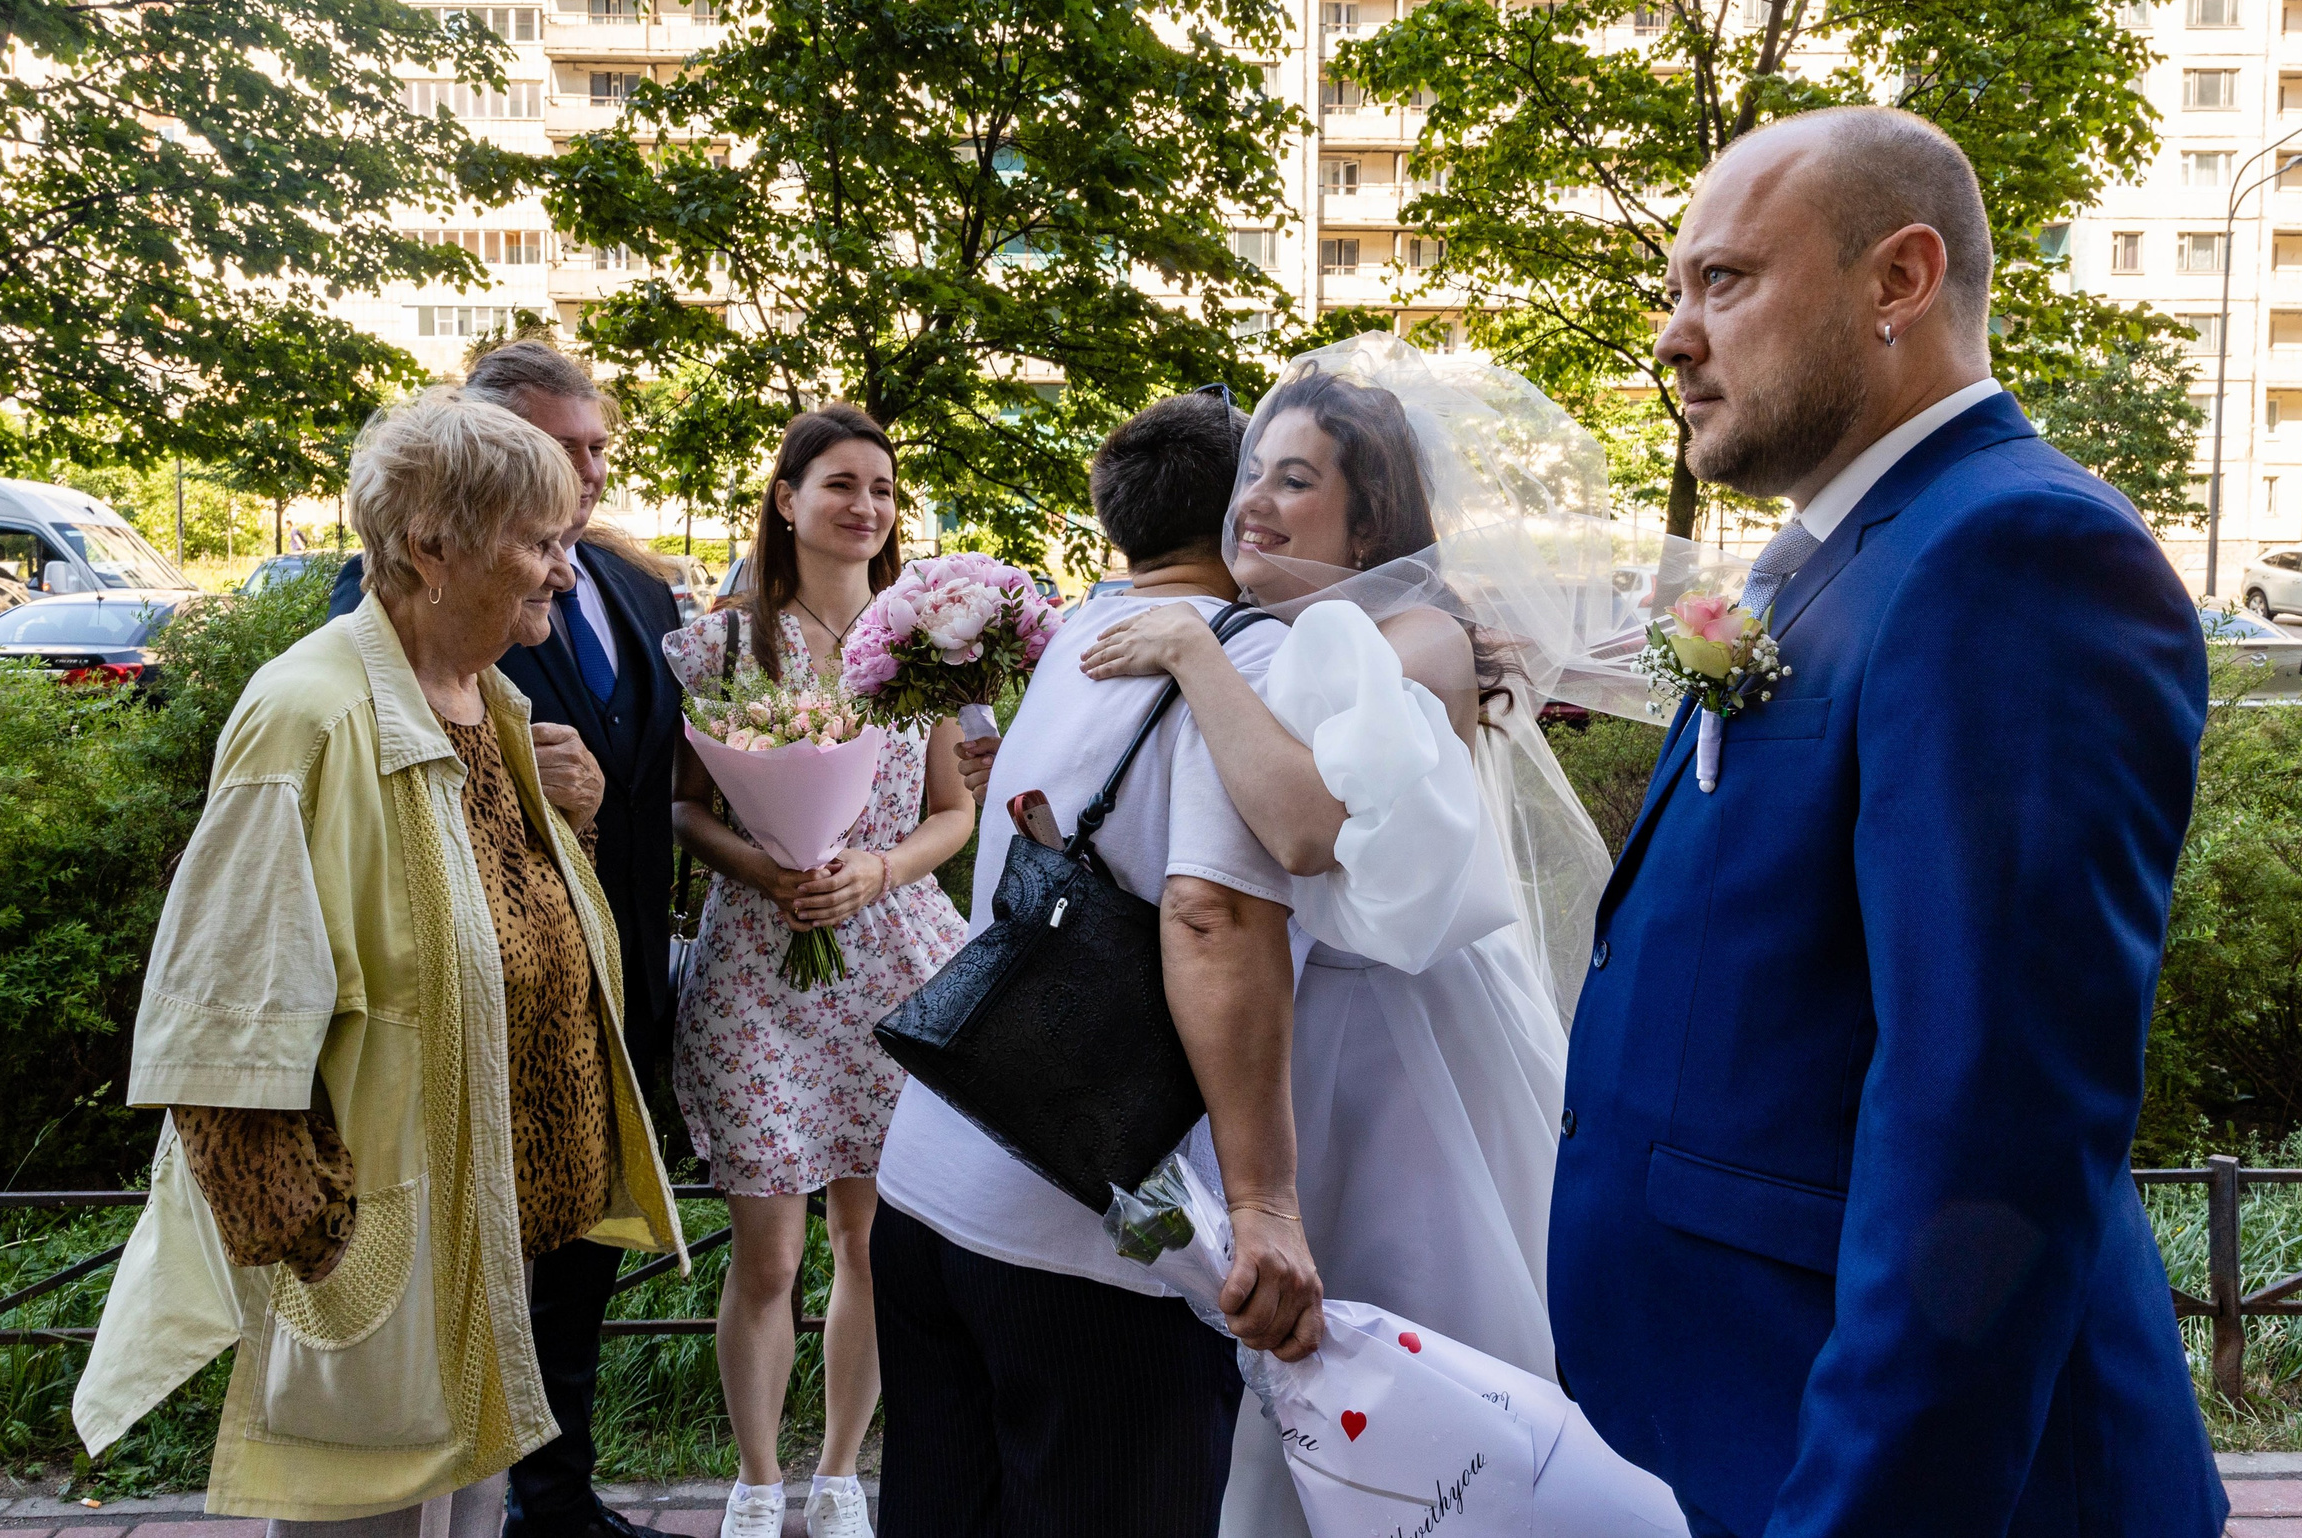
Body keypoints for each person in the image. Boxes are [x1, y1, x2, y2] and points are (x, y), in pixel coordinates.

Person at [1549, 106, 2227, 1535]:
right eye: (1677, 292)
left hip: (1884, 1477)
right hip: (1743, 1418)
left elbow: (1993, 1130)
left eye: (1722, 281)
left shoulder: (2016, 555)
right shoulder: (1841, 559)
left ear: (1898, 282)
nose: (1675, 335)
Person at [73, 396, 687, 1534]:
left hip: (488, 1232)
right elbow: (220, 1016)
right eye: (539, 540)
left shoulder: (483, 696)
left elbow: (495, 922)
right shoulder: (309, 712)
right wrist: (316, 1236)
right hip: (384, 1249)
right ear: (431, 545)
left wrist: (577, 829)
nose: (563, 570)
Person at [1065, 344, 1619, 1537]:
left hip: (1400, 1053)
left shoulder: (1418, 634)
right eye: (1252, 471)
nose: (1254, 499)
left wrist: (1191, 651)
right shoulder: (1260, 626)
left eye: (1296, 480)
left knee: (1422, 1373)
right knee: (1288, 1394)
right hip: (1289, 1031)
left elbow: (1306, 826)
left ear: (1368, 528)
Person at [872, 390, 1325, 1538]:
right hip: (1088, 1221)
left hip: (934, 1170)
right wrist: (1264, 1196)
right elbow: (1211, 916)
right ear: (1242, 510)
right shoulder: (1242, 658)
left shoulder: (1084, 631)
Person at [330, 339, 683, 1538]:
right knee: (448, 1317)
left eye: (596, 449)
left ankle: (555, 1494)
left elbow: (662, 774)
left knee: (574, 1257)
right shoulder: (377, 615)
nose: (587, 476)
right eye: (560, 451)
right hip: (458, 1025)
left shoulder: (636, 588)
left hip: (608, 972)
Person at [665, 405, 977, 1538]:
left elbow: (955, 812)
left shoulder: (922, 651)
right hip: (760, 966)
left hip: (896, 963)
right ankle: (756, 1477)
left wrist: (876, 870)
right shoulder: (716, 645)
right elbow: (683, 807)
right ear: (786, 500)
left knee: (871, 1241)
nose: (866, 506)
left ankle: (841, 1469)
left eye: (884, 489)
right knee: (769, 1248)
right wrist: (772, 861)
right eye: (841, 483)